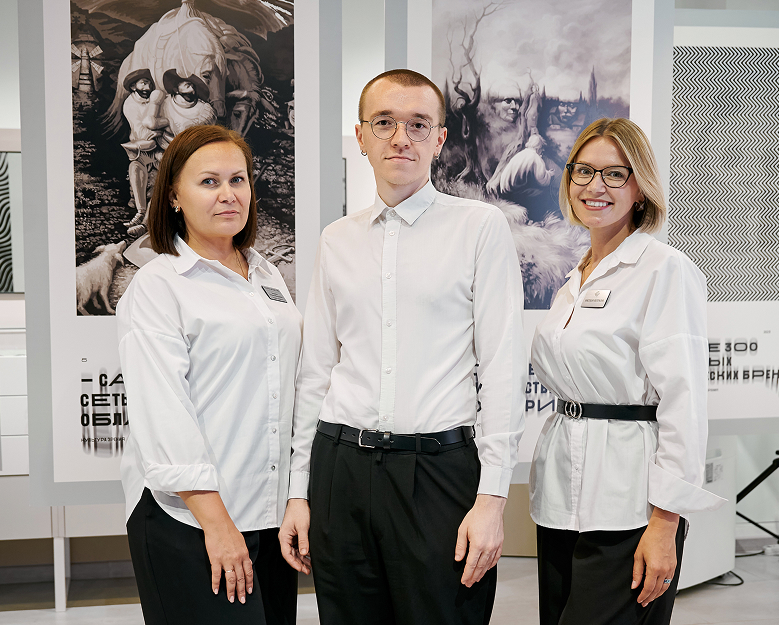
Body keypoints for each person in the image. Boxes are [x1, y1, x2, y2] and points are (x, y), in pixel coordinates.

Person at [279, 69, 526, 625]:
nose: (401, 138)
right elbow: (316, 372)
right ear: (361, 136)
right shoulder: (336, 239)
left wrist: (492, 499)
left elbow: (503, 369)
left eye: (418, 124)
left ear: (439, 139)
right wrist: (299, 492)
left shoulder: (479, 228)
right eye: (384, 122)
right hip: (341, 468)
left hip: (439, 474)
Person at [529, 118, 725, 625]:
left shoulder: (664, 270)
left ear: (640, 187)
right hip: (560, 499)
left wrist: (665, 522)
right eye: (584, 171)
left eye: (615, 174)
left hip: (629, 507)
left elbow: (683, 402)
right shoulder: (575, 276)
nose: (595, 186)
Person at [117, 124, 301, 625]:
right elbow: (164, 412)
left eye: (238, 180)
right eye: (209, 182)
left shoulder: (266, 274)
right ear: (174, 197)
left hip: (266, 514)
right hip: (191, 520)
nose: (228, 194)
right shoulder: (158, 286)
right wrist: (216, 524)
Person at [120, 68, 162, 232]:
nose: (147, 88)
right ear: (133, 87)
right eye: (143, 83)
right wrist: (156, 130)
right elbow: (143, 132)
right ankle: (140, 212)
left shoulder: (156, 100)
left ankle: (146, 223)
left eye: (150, 84)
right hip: (143, 148)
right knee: (135, 167)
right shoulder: (130, 105)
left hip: (162, 147)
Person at [493, 133, 556, 222]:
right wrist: (550, 174)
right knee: (544, 192)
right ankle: (536, 219)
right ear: (539, 147)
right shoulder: (535, 157)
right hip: (514, 193)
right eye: (542, 148)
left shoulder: (521, 154)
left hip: (505, 192)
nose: (542, 151)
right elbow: (542, 181)